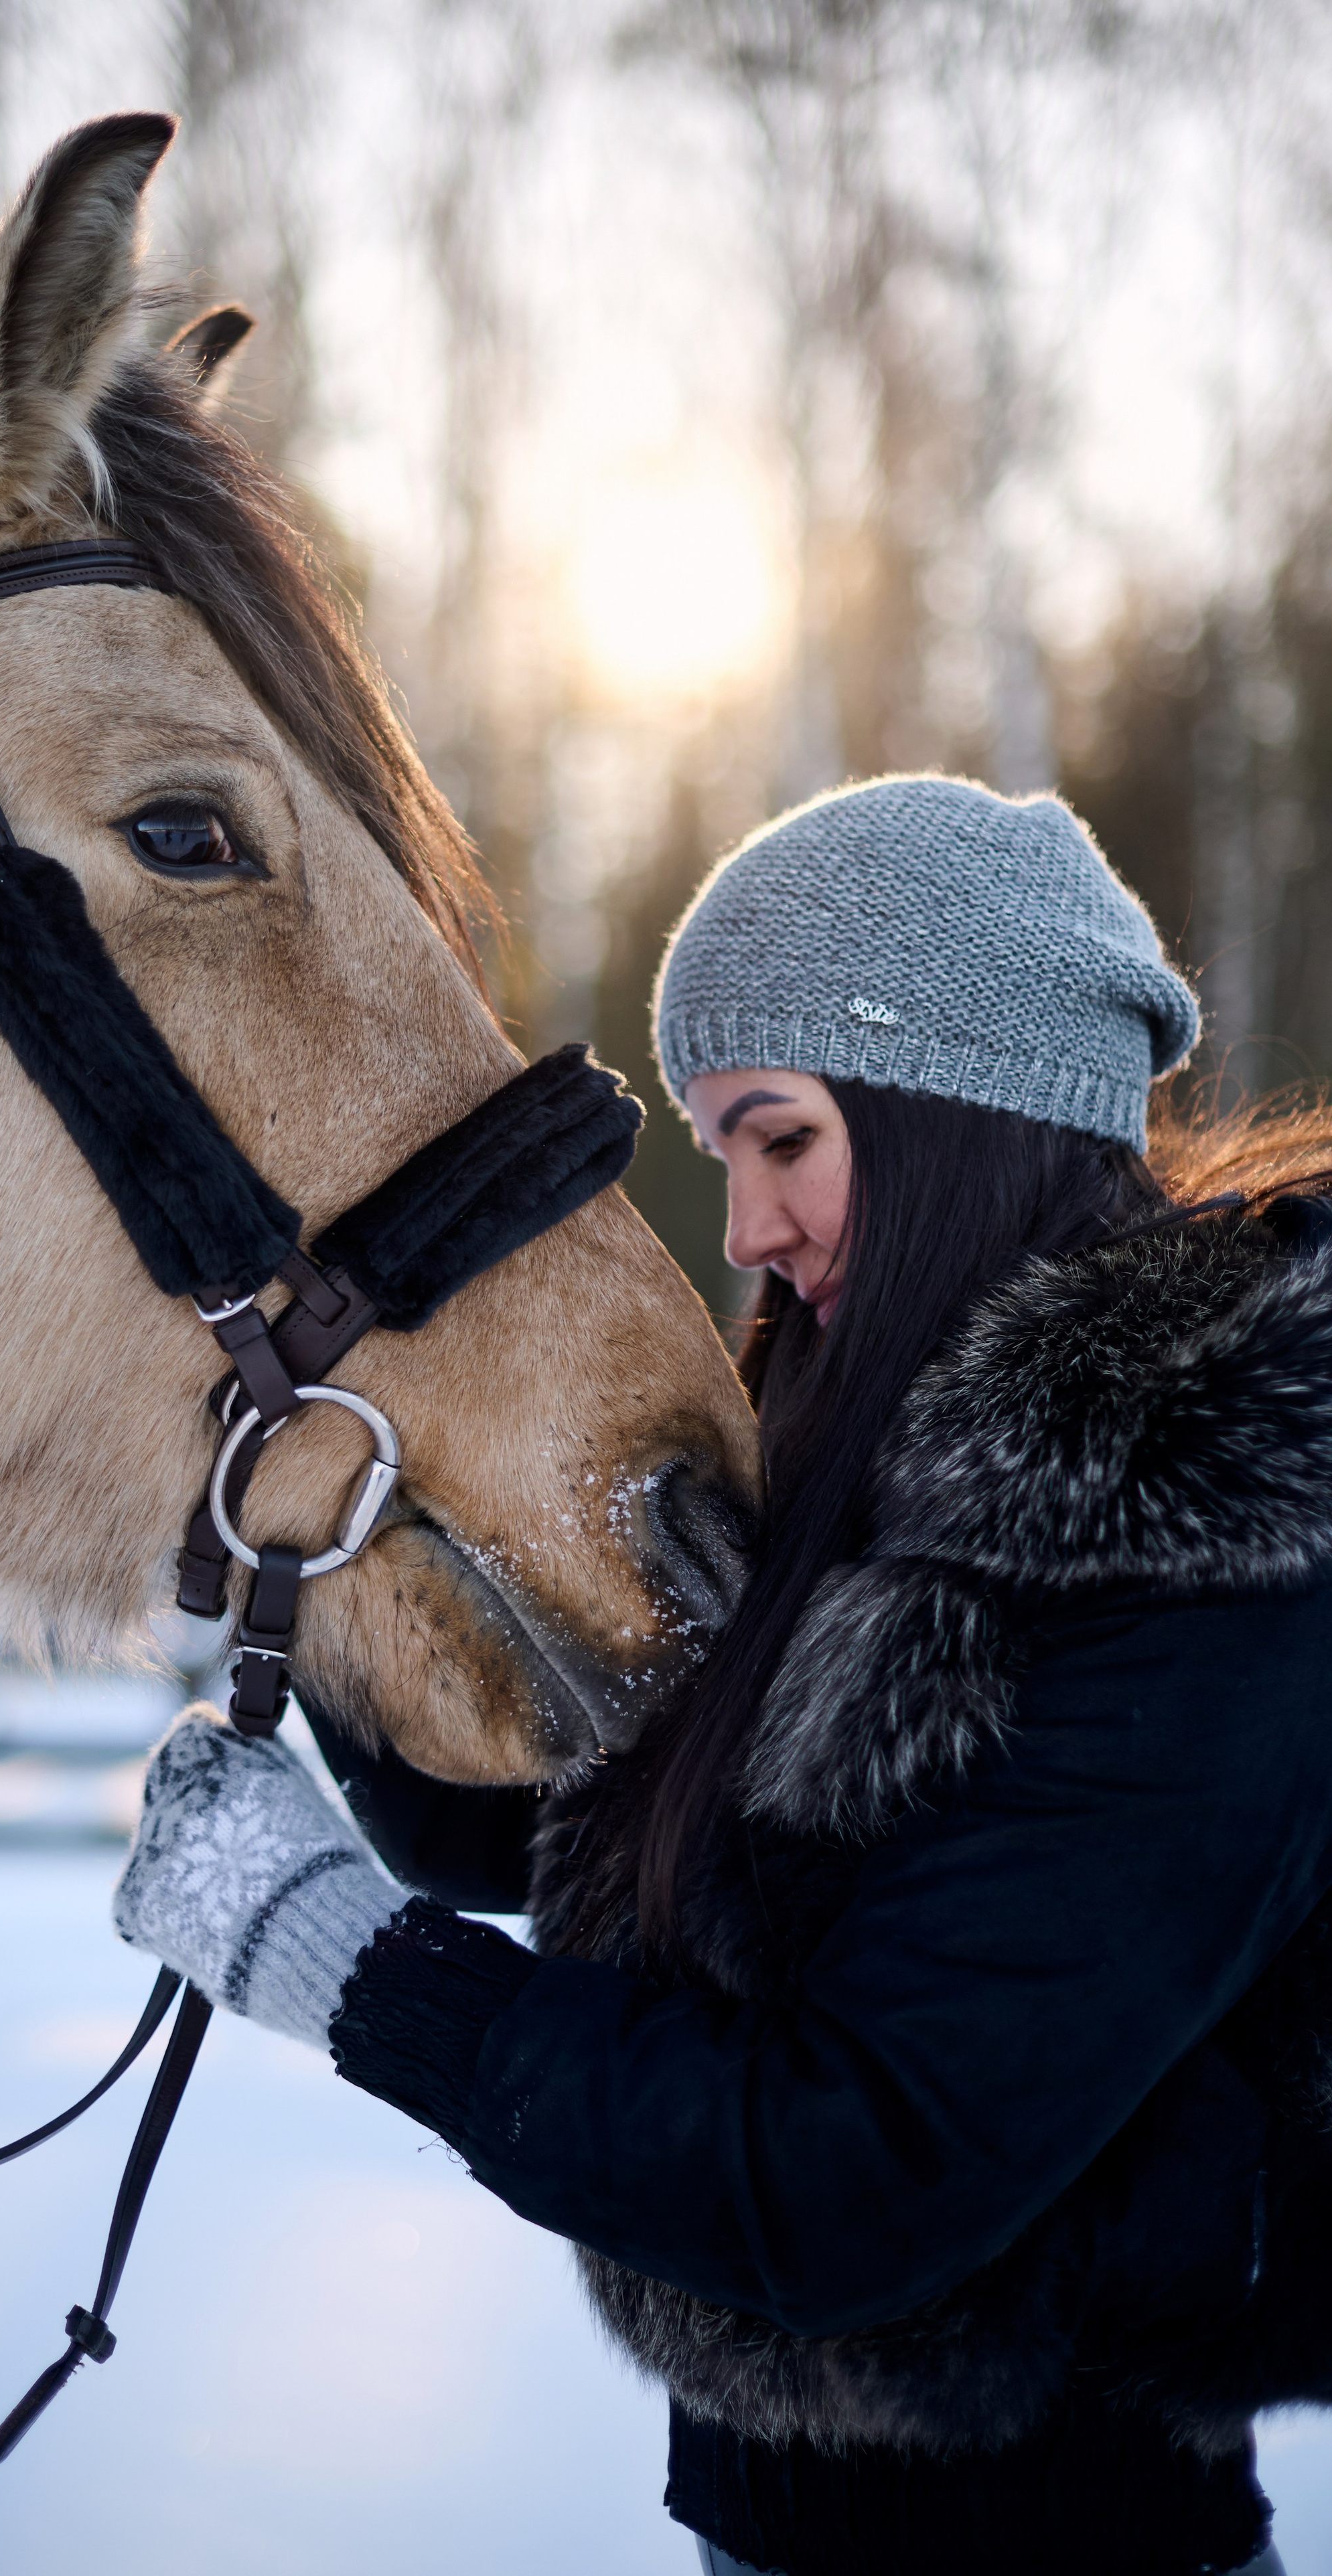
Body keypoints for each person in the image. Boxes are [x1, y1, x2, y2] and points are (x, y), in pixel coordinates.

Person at [114, 775, 1332, 2576]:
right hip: (764, 2529)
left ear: (950, 1103)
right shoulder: (867, 1438)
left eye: (779, 1138)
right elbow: (590, 1827)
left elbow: (857, 2168)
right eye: (720, 1155)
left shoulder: (1205, 1538)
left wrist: (351, 1969)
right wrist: (325, 1613)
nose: (746, 1230)